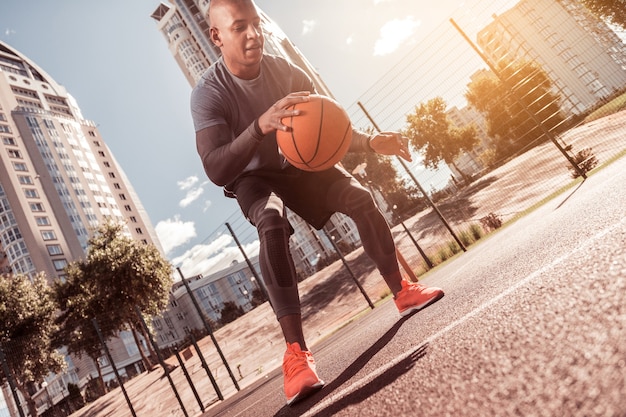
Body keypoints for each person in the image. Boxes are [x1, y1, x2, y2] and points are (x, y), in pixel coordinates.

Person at [191, 0, 444, 405]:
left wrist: (370, 143)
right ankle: (296, 356)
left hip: (298, 163)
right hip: (252, 177)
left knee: (359, 198)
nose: (253, 34)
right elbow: (216, 168)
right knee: (271, 223)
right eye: (239, 28)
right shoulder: (209, 92)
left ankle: (402, 292)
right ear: (216, 36)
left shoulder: (287, 72)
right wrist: (259, 127)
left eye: (255, 24)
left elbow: (328, 129)